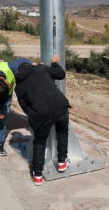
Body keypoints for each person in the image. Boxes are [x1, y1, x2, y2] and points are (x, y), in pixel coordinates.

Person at [15, 55, 70, 186]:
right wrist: (54, 64)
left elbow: (25, 107)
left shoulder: (18, 87)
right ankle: (62, 163)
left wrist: (35, 115)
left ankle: (38, 175)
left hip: (40, 115)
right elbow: (61, 74)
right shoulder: (40, 68)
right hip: (60, 106)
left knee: (39, 143)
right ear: (30, 66)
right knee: (62, 132)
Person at [0, 57, 35, 162]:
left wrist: (35, 64)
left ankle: (0, 144)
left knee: (3, 119)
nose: (10, 84)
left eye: (9, 84)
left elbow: (22, 60)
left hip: (6, 94)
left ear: (4, 80)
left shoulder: (10, 68)